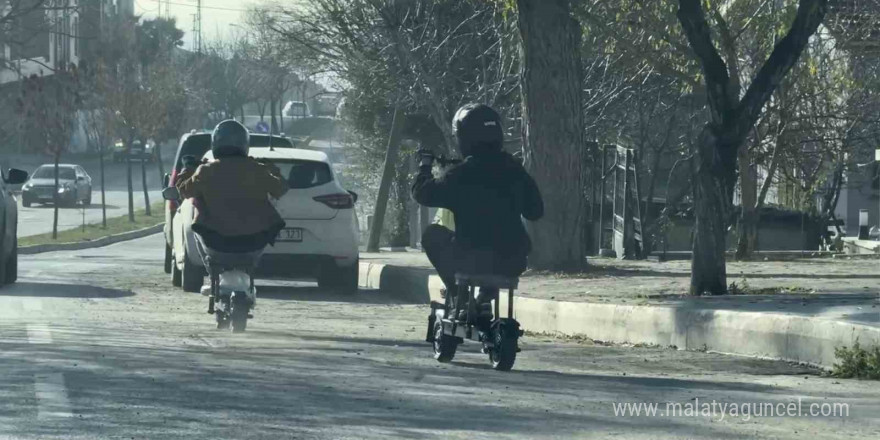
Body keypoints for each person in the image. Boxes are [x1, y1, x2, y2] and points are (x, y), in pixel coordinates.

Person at [413, 103, 543, 323]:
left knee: (432, 234)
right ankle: (484, 298)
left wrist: (425, 167)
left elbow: (422, 194)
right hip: (513, 259)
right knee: (494, 250)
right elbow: (535, 211)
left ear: (463, 137)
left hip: (470, 258)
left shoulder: (461, 174)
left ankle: (460, 297)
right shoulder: (515, 170)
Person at [175, 119, 289, 255]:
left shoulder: (206, 170)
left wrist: (188, 169)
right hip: (254, 241)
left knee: (195, 219)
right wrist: (271, 168)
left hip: (215, 241)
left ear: (215, 143)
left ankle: (209, 265)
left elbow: (184, 191)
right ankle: (251, 267)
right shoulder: (256, 169)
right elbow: (280, 189)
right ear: (245, 144)